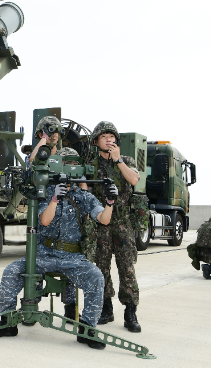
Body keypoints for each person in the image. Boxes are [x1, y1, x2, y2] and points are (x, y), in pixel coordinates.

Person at [0, 147, 118, 350]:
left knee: (96, 277)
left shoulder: (83, 196)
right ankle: (7, 322)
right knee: (11, 272)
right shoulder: (44, 192)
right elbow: (44, 221)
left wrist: (110, 202)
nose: (72, 170)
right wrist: (55, 198)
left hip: (72, 257)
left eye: (75, 165)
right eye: (67, 164)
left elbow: (104, 219)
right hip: (44, 254)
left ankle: (87, 329)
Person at [88, 121, 142, 332]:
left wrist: (118, 160)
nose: (109, 139)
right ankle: (106, 307)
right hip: (101, 221)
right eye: (104, 136)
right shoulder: (91, 164)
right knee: (101, 267)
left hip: (123, 223)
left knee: (126, 266)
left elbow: (134, 179)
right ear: (96, 141)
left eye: (112, 136)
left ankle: (130, 311)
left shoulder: (126, 160)